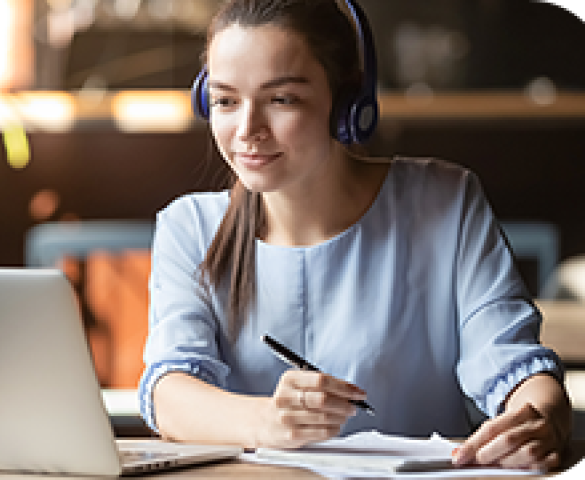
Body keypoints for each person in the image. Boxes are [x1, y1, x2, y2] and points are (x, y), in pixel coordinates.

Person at [137, 0, 572, 471]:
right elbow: (170, 393)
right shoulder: (190, 228)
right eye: (225, 101)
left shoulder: (444, 202)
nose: (247, 130)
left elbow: (511, 364)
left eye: (281, 99)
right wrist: (268, 421)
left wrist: (541, 418)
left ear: (346, 103)